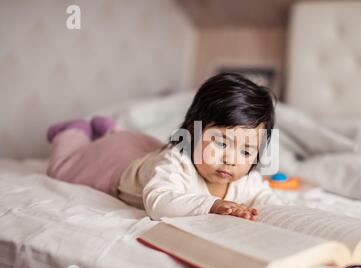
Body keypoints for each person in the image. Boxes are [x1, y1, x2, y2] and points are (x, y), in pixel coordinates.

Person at [46, 73, 287, 221]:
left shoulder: (244, 178)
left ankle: (109, 128)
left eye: (246, 151)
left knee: (128, 142)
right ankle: (75, 131)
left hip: (145, 151)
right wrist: (213, 205)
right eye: (222, 143)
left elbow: (266, 199)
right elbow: (158, 202)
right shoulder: (176, 163)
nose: (231, 160)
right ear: (192, 131)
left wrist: (282, 216)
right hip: (118, 164)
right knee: (65, 166)